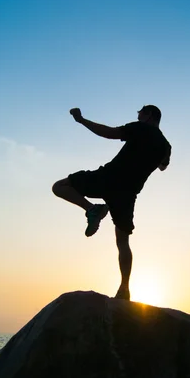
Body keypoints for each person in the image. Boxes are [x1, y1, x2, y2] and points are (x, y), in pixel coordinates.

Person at [52, 105, 171, 301]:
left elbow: (109, 133)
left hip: (108, 178)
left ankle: (92, 209)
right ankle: (124, 289)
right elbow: (163, 166)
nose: (138, 115)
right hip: (128, 194)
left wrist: (82, 120)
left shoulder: (140, 128)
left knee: (59, 187)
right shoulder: (166, 145)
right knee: (123, 242)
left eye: (140, 112)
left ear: (149, 115)